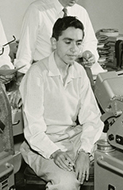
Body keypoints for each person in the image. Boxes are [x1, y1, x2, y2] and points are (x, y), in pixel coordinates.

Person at [19, 16, 104, 190]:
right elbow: (33, 130)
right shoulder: (37, 74)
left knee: (115, 161)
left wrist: (84, 152)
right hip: (42, 145)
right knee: (67, 183)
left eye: (78, 43)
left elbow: (92, 118)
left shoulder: (79, 71)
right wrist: (55, 153)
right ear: (53, 42)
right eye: (68, 42)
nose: (74, 49)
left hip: (72, 139)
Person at [14, 0, 101, 76]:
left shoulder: (81, 12)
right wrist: (23, 80)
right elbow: (25, 52)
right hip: (45, 74)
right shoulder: (38, 10)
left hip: (74, 74)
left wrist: (90, 53)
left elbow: (90, 42)